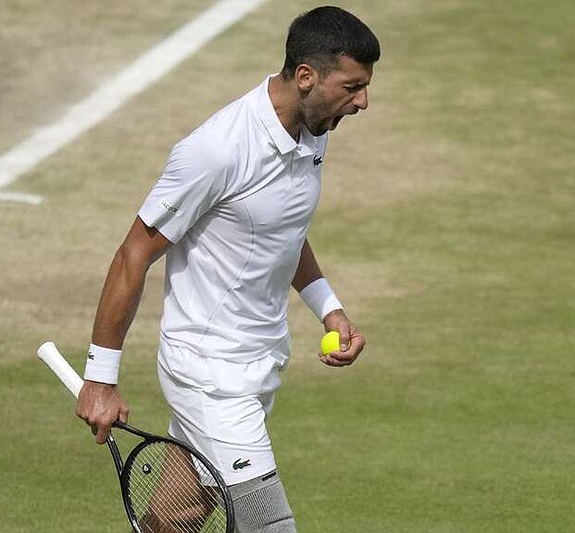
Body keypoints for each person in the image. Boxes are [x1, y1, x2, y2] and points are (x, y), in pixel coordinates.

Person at [75, 6, 380, 532]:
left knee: (176, 516)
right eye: (352, 87)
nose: (363, 102)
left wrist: (328, 309)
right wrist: (100, 378)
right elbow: (133, 254)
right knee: (269, 526)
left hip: (257, 363)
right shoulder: (216, 151)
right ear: (306, 77)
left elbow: (281, 227)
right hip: (210, 373)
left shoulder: (313, 127)